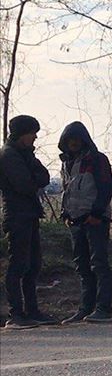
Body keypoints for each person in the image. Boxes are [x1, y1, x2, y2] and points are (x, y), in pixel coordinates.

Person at [0, 115, 55, 329]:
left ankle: (32, 310)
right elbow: (25, 184)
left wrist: (34, 175)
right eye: (32, 133)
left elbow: (44, 177)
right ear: (22, 134)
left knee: (33, 265)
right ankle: (16, 313)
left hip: (29, 214)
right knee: (18, 265)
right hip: (16, 216)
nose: (35, 137)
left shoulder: (25, 154)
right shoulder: (9, 156)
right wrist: (34, 177)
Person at [58, 121, 112, 324]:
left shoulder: (97, 160)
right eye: (69, 140)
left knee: (99, 264)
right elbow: (67, 190)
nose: (73, 143)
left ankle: (103, 307)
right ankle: (86, 307)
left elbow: (107, 188)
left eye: (76, 139)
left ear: (83, 140)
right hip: (75, 221)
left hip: (95, 220)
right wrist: (64, 214)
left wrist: (97, 214)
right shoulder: (67, 163)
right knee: (82, 266)